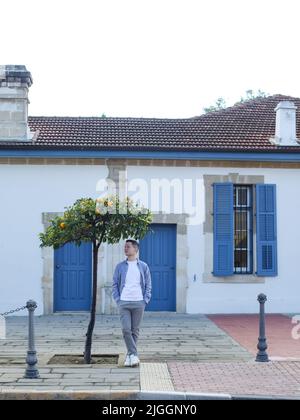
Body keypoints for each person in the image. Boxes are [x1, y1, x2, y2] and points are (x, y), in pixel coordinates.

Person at [112, 239, 152, 367]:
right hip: (124, 302)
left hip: (139, 302)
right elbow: (114, 284)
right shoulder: (120, 266)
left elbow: (148, 285)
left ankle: (130, 356)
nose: (125, 249)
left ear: (135, 249)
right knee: (126, 329)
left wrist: (145, 300)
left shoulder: (143, 266)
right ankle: (134, 354)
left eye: (128, 247)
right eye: (125, 247)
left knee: (135, 330)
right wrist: (118, 300)